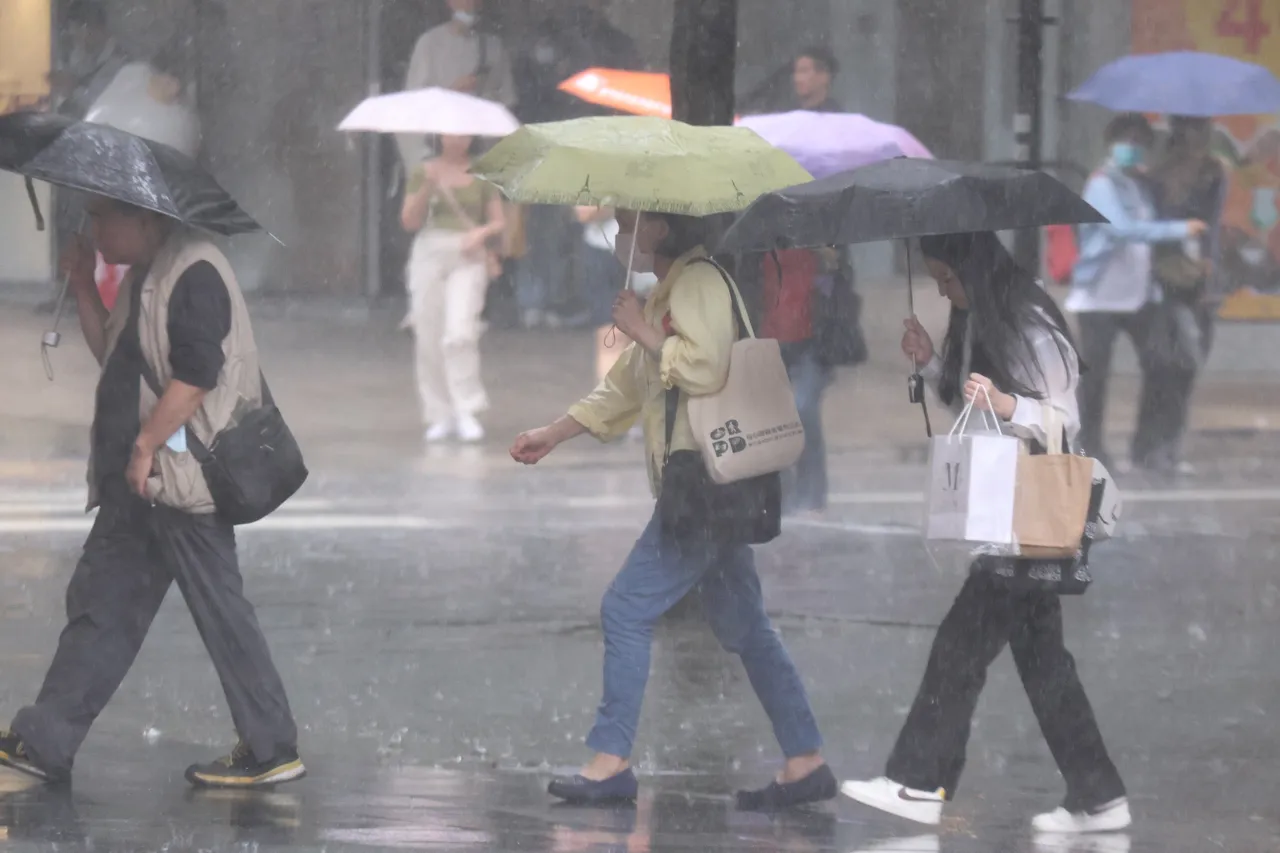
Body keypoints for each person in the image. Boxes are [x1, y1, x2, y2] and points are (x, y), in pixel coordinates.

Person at [510, 211, 836, 810]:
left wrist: (644, 331)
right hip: (711, 482)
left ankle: (610, 762)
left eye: (625, 223)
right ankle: (805, 757)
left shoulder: (698, 284)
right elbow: (629, 389)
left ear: (658, 228)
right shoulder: (667, 290)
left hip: (704, 486)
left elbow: (706, 366)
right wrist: (555, 432)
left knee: (626, 606)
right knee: (745, 626)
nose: (618, 236)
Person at [0, 197, 303, 789]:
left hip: (181, 478)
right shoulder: (150, 273)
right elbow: (117, 359)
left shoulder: (193, 272)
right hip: (141, 484)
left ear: (143, 218)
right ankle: (44, 740)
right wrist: (84, 285)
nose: (94, 230)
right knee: (102, 606)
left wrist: (143, 447)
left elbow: (196, 377)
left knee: (220, 614)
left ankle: (271, 748)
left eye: (102, 218)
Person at [842, 231, 1130, 834]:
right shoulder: (984, 320)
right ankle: (1099, 794)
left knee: (960, 649)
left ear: (974, 270)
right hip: (1011, 518)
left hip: (1030, 518)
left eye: (948, 279)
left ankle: (919, 782)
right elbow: (975, 406)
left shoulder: (1030, 324)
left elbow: (1063, 418)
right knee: (1043, 664)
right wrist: (937, 363)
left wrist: (1006, 403)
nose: (945, 290)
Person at [1066, 113, 1205, 473]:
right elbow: (1124, 230)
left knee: (1164, 363)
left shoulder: (1138, 184)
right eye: (1127, 140)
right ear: (1112, 144)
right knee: (1094, 377)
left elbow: (1152, 215)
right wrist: (1179, 229)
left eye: (1140, 142)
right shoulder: (1100, 184)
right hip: (1099, 298)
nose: (1133, 148)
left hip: (1138, 296)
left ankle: (1149, 448)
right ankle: (1090, 448)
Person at [401, 133, 506, 443]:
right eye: (451, 132)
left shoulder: (482, 172)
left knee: (460, 331)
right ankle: (439, 412)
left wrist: (482, 233)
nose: (458, 138)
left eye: (463, 132)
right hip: (429, 252)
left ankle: (466, 407)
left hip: (468, 254)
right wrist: (427, 187)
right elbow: (409, 220)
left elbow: (499, 221)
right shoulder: (424, 171)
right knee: (427, 331)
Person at [1144, 116, 1229, 474]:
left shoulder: (1214, 172)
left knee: (1188, 368)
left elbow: (1213, 225)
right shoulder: (1158, 177)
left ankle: (1169, 448)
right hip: (1167, 282)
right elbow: (1152, 229)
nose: (1196, 138)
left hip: (1201, 282)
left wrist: (1210, 273)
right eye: (1190, 130)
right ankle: (1158, 447)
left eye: (1201, 131)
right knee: (1178, 363)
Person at [398, 0, 516, 171]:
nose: (469, 3)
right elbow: (412, 108)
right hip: (438, 160)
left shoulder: (494, 48)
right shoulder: (430, 45)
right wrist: (451, 92)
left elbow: (507, 105)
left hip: (482, 159)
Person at [759, 249, 832, 514]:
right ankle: (783, 493)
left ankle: (812, 492)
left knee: (802, 409)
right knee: (774, 421)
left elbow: (838, 289)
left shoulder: (821, 245)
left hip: (811, 344)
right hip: (770, 341)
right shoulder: (759, 245)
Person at [792, 46, 842, 113]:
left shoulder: (838, 117)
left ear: (824, 76)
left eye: (803, 71)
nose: (797, 79)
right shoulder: (788, 115)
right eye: (796, 72)